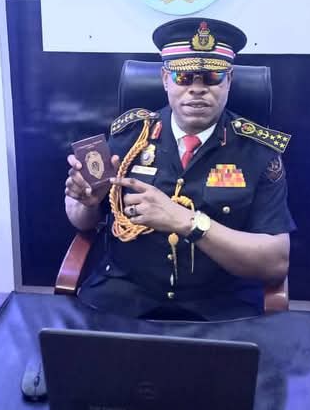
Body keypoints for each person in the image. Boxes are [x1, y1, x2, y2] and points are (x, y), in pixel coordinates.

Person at [64, 18, 296, 320]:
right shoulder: (129, 137)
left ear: (229, 81)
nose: (197, 90)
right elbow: (83, 222)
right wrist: (86, 204)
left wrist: (187, 222)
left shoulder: (259, 152)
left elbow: (275, 262)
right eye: (183, 77)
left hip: (219, 306)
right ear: (165, 79)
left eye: (211, 77)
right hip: (124, 295)